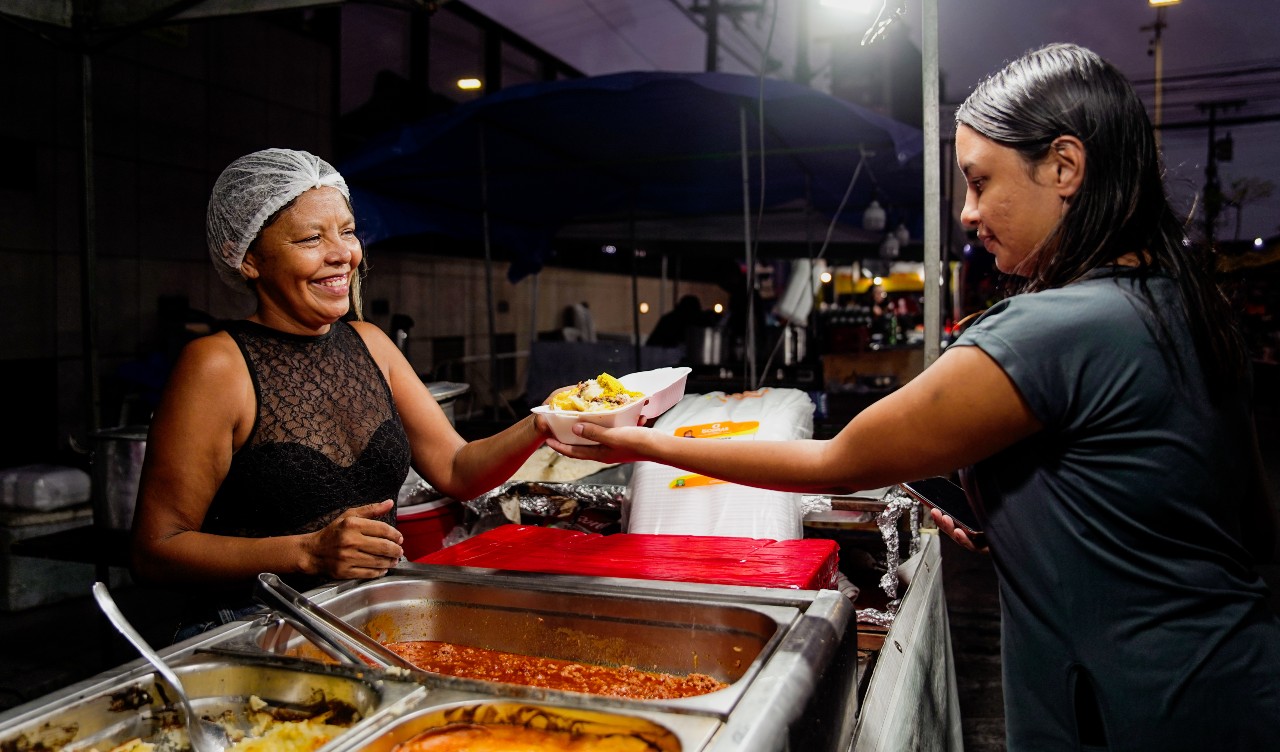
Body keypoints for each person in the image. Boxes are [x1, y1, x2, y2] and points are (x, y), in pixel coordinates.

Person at [549, 44, 1280, 750]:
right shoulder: (1177, 303)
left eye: (980, 181)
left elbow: (839, 460)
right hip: (1230, 675)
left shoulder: (1056, 326)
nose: (966, 212)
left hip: (1135, 703)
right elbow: (1206, 508)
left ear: (1064, 166)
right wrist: (1028, 524)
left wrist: (635, 439)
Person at [131, 148, 555, 640]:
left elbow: (457, 469)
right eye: (311, 238)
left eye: (348, 231)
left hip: (369, 620)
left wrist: (544, 422)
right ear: (248, 258)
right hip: (252, 631)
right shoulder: (217, 366)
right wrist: (308, 551)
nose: (343, 254)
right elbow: (155, 550)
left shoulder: (371, 343)